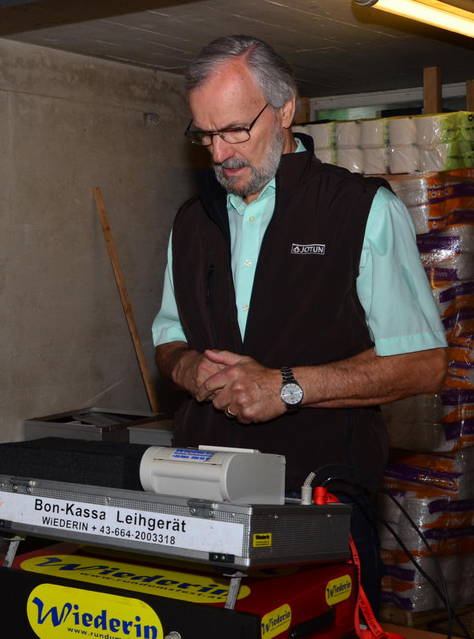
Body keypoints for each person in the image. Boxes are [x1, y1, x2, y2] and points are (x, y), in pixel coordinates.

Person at [151, 35, 447, 612]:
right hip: (201, 498)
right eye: (205, 135)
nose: (219, 153)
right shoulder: (191, 221)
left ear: (285, 109)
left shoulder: (362, 210)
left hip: (318, 503)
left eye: (235, 130)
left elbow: (425, 363)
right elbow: (169, 338)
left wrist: (284, 387)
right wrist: (188, 369)